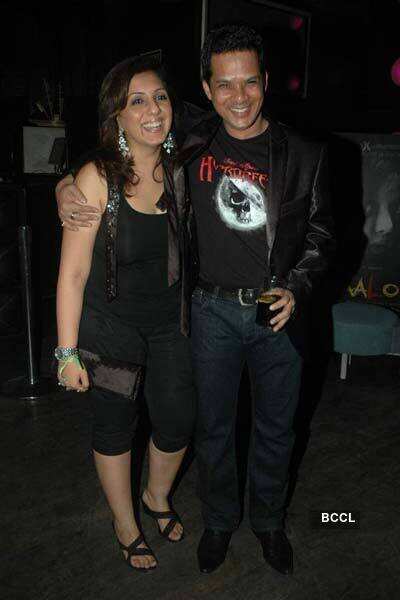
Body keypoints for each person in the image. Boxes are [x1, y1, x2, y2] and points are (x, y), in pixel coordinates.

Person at [56, 24, 334, 576]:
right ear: (206, 90)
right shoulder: (194, 134)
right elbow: (119, 140)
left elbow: (324, 235)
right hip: (208, 311)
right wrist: (64, 184)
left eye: (249, 82)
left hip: (275, 313)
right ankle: (219, 521)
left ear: (266, 82)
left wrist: (298, 287)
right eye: (224, 84)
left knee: (275, 429)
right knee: (213, 429)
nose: (238, 96)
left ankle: (269, 522)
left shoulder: (306, 153)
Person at [55, 54, 196, 572]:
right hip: (111, 326)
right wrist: (67, 352)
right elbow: (72, 274)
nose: (152, 110)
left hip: (170, 322)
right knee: (116, 424)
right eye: (137, 101)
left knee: (179, 418)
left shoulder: (182, 167)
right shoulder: (97, 177)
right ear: (117, 114)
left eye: (159, 97)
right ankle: (125, 523)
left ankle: (156, 496)